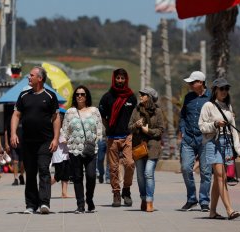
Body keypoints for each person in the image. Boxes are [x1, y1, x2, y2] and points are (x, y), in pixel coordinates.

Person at [10, 66, 60, 215]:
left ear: (40, 78)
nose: (28, 77)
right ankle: (31, 204)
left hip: (45, 141)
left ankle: (44, 203)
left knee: (44, 169)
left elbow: (56, 118)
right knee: (30, 173)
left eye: (31, 75)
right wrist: (13, 133)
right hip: (28, 142)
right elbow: (16, 115)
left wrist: (56, 138)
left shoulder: (50, 96)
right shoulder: (24, 95)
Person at [199, 78, 240, 220]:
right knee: (221, 176)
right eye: (221, 88)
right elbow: (201, 126)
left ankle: (212, 211)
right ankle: (230, 210)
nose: (224, 91)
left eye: (226, 89)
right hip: (213, 142)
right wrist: (215, 124)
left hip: (227, 144)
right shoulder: (208, 105)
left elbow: (233, 129)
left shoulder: (228, 107)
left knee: (218, 179)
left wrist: (238, 148)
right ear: (215, 90)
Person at [61, 85, 103, 213]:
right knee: (77, 177)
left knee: (91, 176)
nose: (80, 96)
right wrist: (65, 141)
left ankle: (89, 199)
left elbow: (99, 129)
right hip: (74, 149)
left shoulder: (94, 111)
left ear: (86, 96)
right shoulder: (70, 112)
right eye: (77, 94)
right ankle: (80, 204)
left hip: (90, 149)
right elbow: (65, 130)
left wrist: (96, 140)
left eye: (82, 94)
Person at [99, 68, 136, 207]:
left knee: (130, 163)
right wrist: (107, 126)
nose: (120, 80)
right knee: (113, 167)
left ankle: (126, 190)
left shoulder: (131, 97)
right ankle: (116, 193)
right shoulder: (107, 97)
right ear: (114, 79)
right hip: (112, 137)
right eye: (118, 78)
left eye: (122, 78)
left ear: (126, 79)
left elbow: (135, 116)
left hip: (127, 136)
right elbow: (101, 114)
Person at [178, 71, 212, 212]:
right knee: (186, 168)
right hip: (188, 139)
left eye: (193, 82)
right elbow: (183, 116)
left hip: (206, 139)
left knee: (205, 171)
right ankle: (191, 199)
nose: (190, 85)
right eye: (190, 83)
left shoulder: (212, 97)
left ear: (201, 82)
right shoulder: (188, 97)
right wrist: (183, 131)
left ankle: (204, 201)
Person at [128, 87, 164, 212]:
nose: (140, 96)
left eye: (143, 94)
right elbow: (129, 127)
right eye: (140, 94)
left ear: (149, 97)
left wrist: (148, 131)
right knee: (140, 176)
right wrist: (136, 126)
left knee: (148, 173)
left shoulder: (158, 111)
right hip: (138, 146)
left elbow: (160, 130)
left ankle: (149, 201)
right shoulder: (136, 110)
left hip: (153, 146)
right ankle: (143, 198)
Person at [51, 111, 71, 198]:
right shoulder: (58, 130)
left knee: (66, 175)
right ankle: (45, 186)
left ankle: (64, 193)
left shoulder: (64, 130)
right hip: (58, 156)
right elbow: (64, 141)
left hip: (66, 155)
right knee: (58, 175)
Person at [3, 104, 25, 186]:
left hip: (24, 143)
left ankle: (21, 175)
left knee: (23, 162)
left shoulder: (25, 117)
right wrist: (6, 143)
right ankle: (15, 178)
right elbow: (6, 132)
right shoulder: (10, 118)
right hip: (14, 143)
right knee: (15, 161)